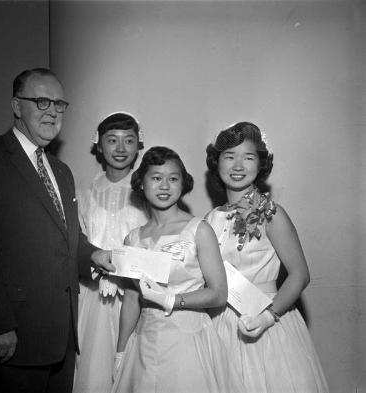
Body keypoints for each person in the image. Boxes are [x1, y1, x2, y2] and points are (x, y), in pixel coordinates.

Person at [0, 68, 114, 393]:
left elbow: (68, 240)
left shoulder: (62, 171)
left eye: (59, 104)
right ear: (16, 106)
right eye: (41, 101)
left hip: (61, 340)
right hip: (12, 339)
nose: (52, 111)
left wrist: (96, 255)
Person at [205, 121, 329, 393]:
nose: (238, 166)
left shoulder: (272, 214)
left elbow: (300, 275)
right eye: (229, 157)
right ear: (217, 163)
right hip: (220, 326)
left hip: (267, 322)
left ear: (260, 163)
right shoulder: (210, 219)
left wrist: (267, 318)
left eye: (248, 157)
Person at [111, 146, 244, 393]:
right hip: (145, 343)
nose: (165, 186)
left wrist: (172, 299)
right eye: (156, 178)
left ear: (183, 185)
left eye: (173, 179)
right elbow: (131, 300)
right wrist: (120, 351)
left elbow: (219, 293)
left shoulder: (199, 230)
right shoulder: (133, 239)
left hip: (188, 339)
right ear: (141, 183)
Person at [73, 112, 148, 393]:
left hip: (136, 293)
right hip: (92, 294)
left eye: (128, 140)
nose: (120, 148)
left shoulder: (148, 190)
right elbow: (75, 241)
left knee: (132, 368)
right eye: (112, 140)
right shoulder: (84, 191)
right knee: (93, 369)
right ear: (99, 145)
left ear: (138, 145)